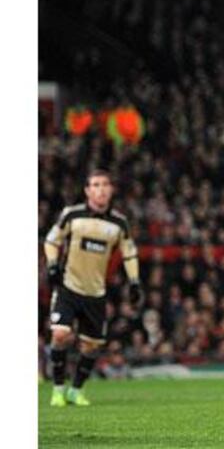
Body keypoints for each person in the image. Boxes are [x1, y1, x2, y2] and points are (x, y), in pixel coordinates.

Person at [43, 169, 144, 407]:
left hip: (95, 293)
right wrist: (52, 266)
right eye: (96, 185)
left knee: (91, 346)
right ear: (87, 190)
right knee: (60, 334)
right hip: (68, 287)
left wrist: (134, 281)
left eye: (105, 184)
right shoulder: (72, 215)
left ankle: (76, 390)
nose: (101, 189)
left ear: (111, 190)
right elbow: (51, 240)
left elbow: (129, 252)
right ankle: (57, 390)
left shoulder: (119, 222)